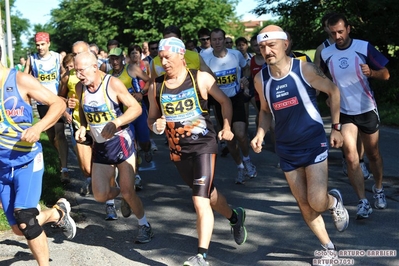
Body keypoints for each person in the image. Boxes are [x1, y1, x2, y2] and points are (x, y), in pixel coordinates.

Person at [251, 25, 349, 256]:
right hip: (285, 147)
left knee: (316, 200)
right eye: (262, 47)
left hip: (312, 141)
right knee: (303, 203)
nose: (267, 51)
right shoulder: (260, 78)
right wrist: (260, 133)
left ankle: (333, 201)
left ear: (285, 44)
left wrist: (336, 128)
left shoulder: (304, 69)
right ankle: (329, 248)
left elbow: (333, 91)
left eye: (271, 45)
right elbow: (265, 111)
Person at [147, 37, 247, 266]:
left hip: (204, 146)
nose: (164, 62)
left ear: (181, 55)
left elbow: (225, 102)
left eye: (168, 57)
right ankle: (235, 216)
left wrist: (228, 127)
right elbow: (151, 117)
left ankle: (201, 256)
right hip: (177, 150)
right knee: (208, 195)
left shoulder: (199, 78)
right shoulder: (156, 85)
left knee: (199, 200)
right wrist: (155, 125)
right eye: (161, 58)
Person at [0, 46, 77, 266]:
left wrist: (39, 127)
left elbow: (58, 103)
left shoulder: (20, 80)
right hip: (2, 167)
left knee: (26, 219)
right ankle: (57, 213)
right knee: (17, 228)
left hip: (27, 161)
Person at [74, 51, 153, 243]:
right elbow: (83, 112)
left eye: (81, 70)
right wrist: (83, 127)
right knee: (100, 195)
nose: (78, 75)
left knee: (129, 190)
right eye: (76, 71)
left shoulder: (112, 84)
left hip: (121, 141)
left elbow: (135, 108)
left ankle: (144, 225)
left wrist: (116, 122)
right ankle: (123, 196)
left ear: (94, 67)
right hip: (100, 146)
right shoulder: (80, 87)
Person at [321, 13, 389, 219]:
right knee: (351, 157)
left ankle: (378, 188)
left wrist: (373, 73)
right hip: (344, 112)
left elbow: (386, 74)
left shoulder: (363, 47)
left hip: (366, 108)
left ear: (348, 29)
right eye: (333, 33)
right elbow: (324, 79)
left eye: (341, 31)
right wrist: (327, 95)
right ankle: (363, 201)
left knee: (373, 153)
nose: (337, 36)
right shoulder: (327, 53)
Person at [315, 12, 371, 180]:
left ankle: (359, 161)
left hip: (358, 97)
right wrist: (327, 92)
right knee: (341, 132)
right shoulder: (322, 49)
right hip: (337, 96)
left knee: (360, 133)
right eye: (328, 27)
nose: (333, 32)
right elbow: (319, 74)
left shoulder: (355, 45)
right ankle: (348, 159)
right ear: (326, 28)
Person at [202, 28, 257, 184]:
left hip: (235, 97)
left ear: (224, 40)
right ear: (211, 41)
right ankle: (239, 166)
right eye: (214, 40)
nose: (217, 42)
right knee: (229, 138)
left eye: (220, 39)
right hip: (219, 102)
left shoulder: (235, 55)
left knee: (240, 133)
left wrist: (245, 79)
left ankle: (247, 160)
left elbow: (246, 67)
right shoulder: (205, 59)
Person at [24, 32, 70, 183]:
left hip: (56, 101)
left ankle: (64, 169)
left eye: (43, 44)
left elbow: (64, 75)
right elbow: (24, 78)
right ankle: (60, 155)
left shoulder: (57, 57)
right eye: (37, 45)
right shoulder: (32, 60)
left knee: (60, 133)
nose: (40, 47)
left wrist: (65, 92)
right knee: (51, 136)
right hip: (41, 102)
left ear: (48, 44)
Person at [108, 46, 151, 191]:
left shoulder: (131, 69)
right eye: (112, 59)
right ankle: (136, 176)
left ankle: (147, 149)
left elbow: (149, 81)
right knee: (132, 145)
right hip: (124, 116)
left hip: (138, 111)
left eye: (117, 58)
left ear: (122, 58)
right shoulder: (108, 76)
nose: (114, 62)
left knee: (144, 142)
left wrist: (142, 93)